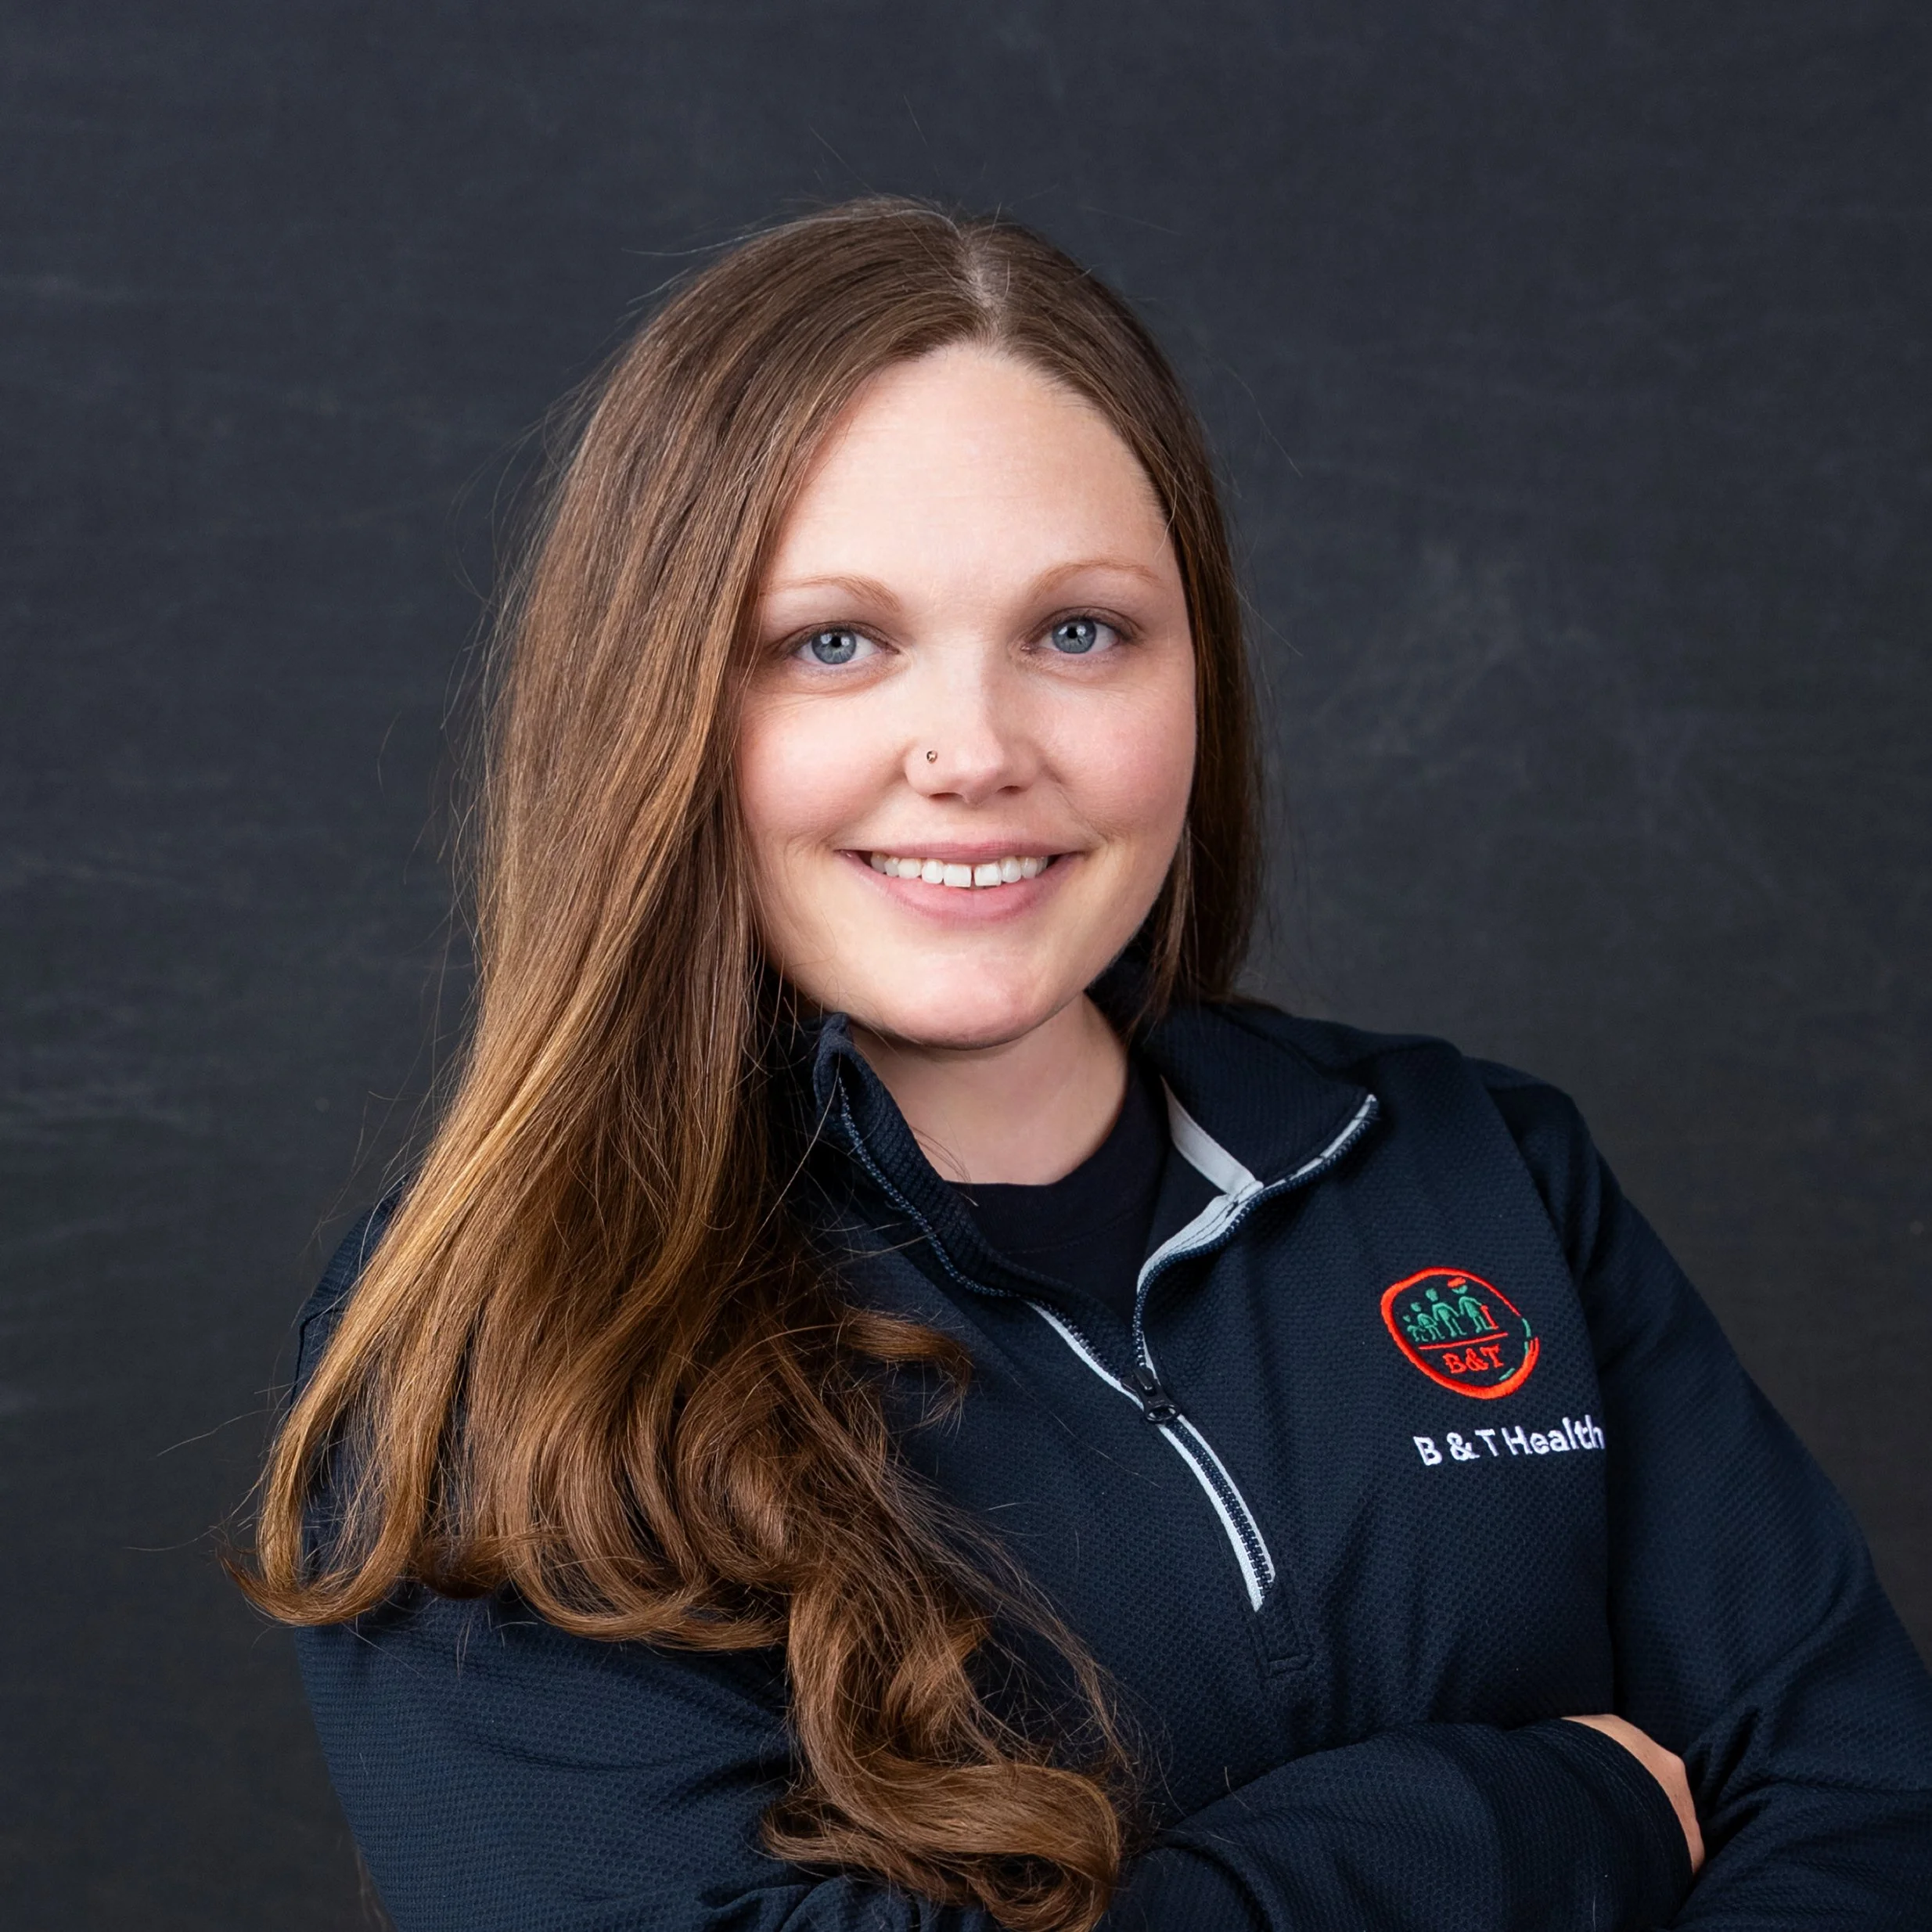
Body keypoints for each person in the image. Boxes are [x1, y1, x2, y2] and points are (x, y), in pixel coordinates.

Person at [239, 199, 1932, 1931]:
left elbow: (1863, 1803)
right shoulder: (508, 1344)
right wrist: (1520, 1818)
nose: (974, 752)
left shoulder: (1476, 1167)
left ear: (1201, 675)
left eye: (1078, 633)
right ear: (652, 702)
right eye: (835, 642)